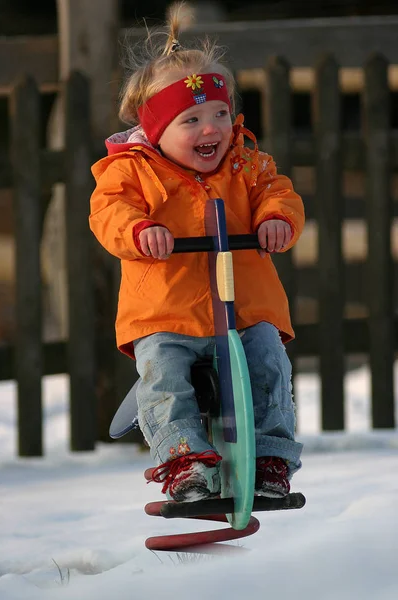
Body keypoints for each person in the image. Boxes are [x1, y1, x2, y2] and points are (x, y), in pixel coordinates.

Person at [89, 3, 305, 503]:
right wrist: (141, 230)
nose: (213, 129)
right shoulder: (132, 172)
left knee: (270, 361)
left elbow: (279, 192)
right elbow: (109, 213)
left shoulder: (247, 163)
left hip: (245, 310)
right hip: (164, 312)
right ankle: (183, 460)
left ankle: (269, 456)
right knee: (164, 374)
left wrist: (277, 219)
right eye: (192, 119)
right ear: (157, 130)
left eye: (221, 114)